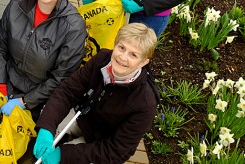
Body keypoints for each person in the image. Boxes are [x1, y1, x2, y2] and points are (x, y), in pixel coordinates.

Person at [33, 23, 159, 164]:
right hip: (82, 117)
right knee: (46, 125)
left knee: (62, 159)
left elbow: (117, 151)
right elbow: (67, 91)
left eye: (133, 55)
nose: (123, 57)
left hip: (101, 143)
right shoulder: (102, 59)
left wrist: (63, 155)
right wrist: (46, 129)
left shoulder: (145, 103)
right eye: (121, 47)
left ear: (143, 62)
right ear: (115, 44)